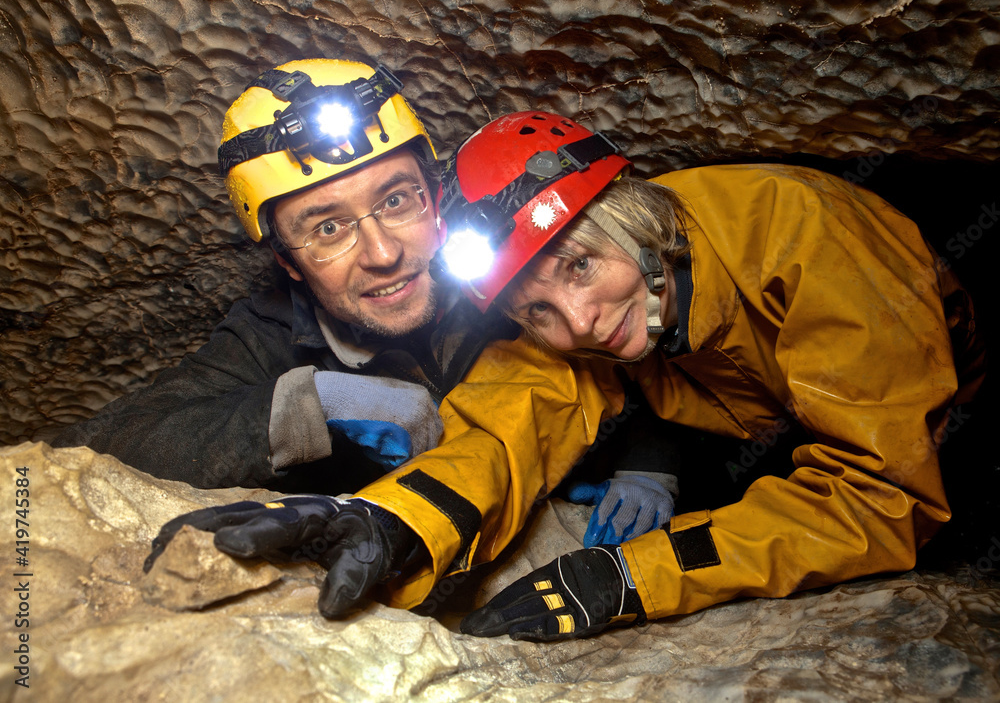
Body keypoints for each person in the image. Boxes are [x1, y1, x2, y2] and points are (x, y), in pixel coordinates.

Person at [144, 109, 983, 641]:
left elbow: (885, 494)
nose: (577, 325)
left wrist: (633, 575)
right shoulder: (605, 301)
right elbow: (512, 415)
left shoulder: (805, 237)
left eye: (578, 267)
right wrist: (388, 520)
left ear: (626, 212)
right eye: (533, 309)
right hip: (776, 425)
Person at [55, 63, 672, 549]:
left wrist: (652, 458)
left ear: (436, 197)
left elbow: (663, 339)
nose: (382, 253)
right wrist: (310, 405)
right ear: (289, 264)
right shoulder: (270, 336)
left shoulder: (503, 278)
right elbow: (91, 451)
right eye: (327, 229)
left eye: (398, 201)